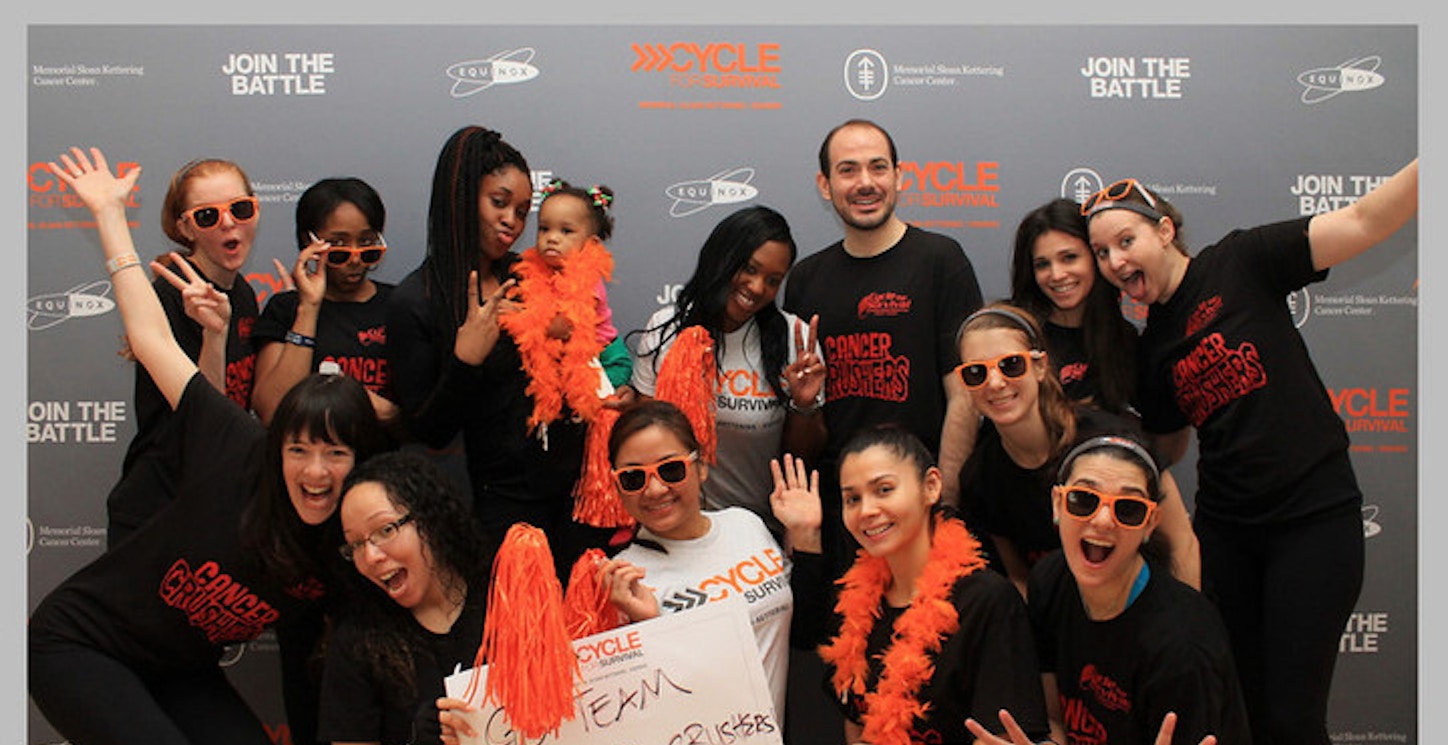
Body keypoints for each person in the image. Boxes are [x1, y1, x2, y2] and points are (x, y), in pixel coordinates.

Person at [30, 146, 389, 745]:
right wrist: (110, 215)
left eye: (336, 454)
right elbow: (151, 342)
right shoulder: (237, 447)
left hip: (180, 662)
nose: (317, 472)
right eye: (299, 450)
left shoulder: (346, 539)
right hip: (88, 640)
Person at [1082, 161, 1417, 745]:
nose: (1114, 262)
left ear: (1164, 231)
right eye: (1102, 253)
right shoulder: (1153, 345)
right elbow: (1168, 442)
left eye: (1125, 241)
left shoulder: (1240, 261)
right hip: (1230, 532)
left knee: (1292, 720)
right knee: (1238, 712)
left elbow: (1364, 219)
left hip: (1312, 520)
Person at [386, 125, 606, 576]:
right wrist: (467, 358)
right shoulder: (416, 301)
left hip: (575, 492)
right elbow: (430, 429)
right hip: (502, 503)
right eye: (499, 202)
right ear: (462, 196)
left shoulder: (531, 276)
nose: (513, 222)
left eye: (523, 211)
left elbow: (584, 344)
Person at [781, 117, 982, 578]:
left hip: (920, 505)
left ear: (899, 176)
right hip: (842, 513)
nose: (865, 183)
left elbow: (964, 396)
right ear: (825, 185)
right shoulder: (807, 279)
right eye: (848, 170)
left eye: (877, 167)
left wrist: (944, 501)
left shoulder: (940, 261)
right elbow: (805, 412)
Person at [963, 433, 1250, 745]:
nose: (1102, 520)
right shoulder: (1050, 580)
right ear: (1058, 504)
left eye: (1128, 509)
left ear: (1150, 524)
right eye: (1084, 499)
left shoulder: (1183, 648)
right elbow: (1054, 716)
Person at [772, 424, 1048, 745]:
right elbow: (858, 727)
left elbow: (999, 736)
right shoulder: (857, 603)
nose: (867, 511)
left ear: (931, 487)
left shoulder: (987, 601)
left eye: (884, 489)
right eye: (852, 499)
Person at [955, 303, 1200, 595]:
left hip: (1147, 605)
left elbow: (1181, 543)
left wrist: (1189, 624)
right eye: (975, 373)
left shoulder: (1112, 436)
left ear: (1040, 366)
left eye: (1011, 365)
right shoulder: (981, 477)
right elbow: (1020, 577)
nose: (995, 383)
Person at [597, 400, 794, 727]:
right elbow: (636, 715)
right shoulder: (621, 581)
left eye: (670, 469)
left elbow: (804, 630)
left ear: (700, 466)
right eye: (634, 478)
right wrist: (653, 626)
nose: (655, 489)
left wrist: (805, 538)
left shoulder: (746, 525)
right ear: (617, 487)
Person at [630, 204, 825, 535]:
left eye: (773, 280)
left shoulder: (795, 340)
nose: (758, 287)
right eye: (749, 268)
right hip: (670, 531)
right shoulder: (665, 329)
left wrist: (803, 405)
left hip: (756, 534)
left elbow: (801, 460)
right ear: (722, 258)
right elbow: (644, 444)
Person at [103, 154, 262, 548]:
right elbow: (203, 415)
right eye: (208, 215)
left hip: (215, 497)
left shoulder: (242, 294)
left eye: (241, 209)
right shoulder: (170, 296)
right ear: (184, 228)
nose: (229, 222)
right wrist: (213, 335)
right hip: (160, 505)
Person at [319, 451, 492, 745]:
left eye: (385, 530)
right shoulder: (357, 644)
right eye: (356, 544)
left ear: (429, 519)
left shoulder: (506, 603)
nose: (370, 556)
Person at [252, 177, 397, 427]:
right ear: (309, 242)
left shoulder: (399, 305)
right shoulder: (285, 309)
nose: (354, 258)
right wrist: (308, 307)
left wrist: (375, 408)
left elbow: (421, 423)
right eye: (338, 245)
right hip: (307, 461)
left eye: (365, 242)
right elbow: (273, 411)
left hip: (382, 462)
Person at [498, 177, 626, 434]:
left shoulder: (589, 282)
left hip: (607, 357)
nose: (552, 238)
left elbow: (562, 326)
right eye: (544, 229)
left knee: (594, 403)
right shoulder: (535, 272)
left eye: (566, 231)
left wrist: (518, 316)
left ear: (591, 244)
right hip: (572, 360)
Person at [1009, 197, 1139, 414]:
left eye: (1069, 258)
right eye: (1042, 264)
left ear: (1096, 257)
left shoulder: (1124, 339)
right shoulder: (1013, 333)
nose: (1057, 275)